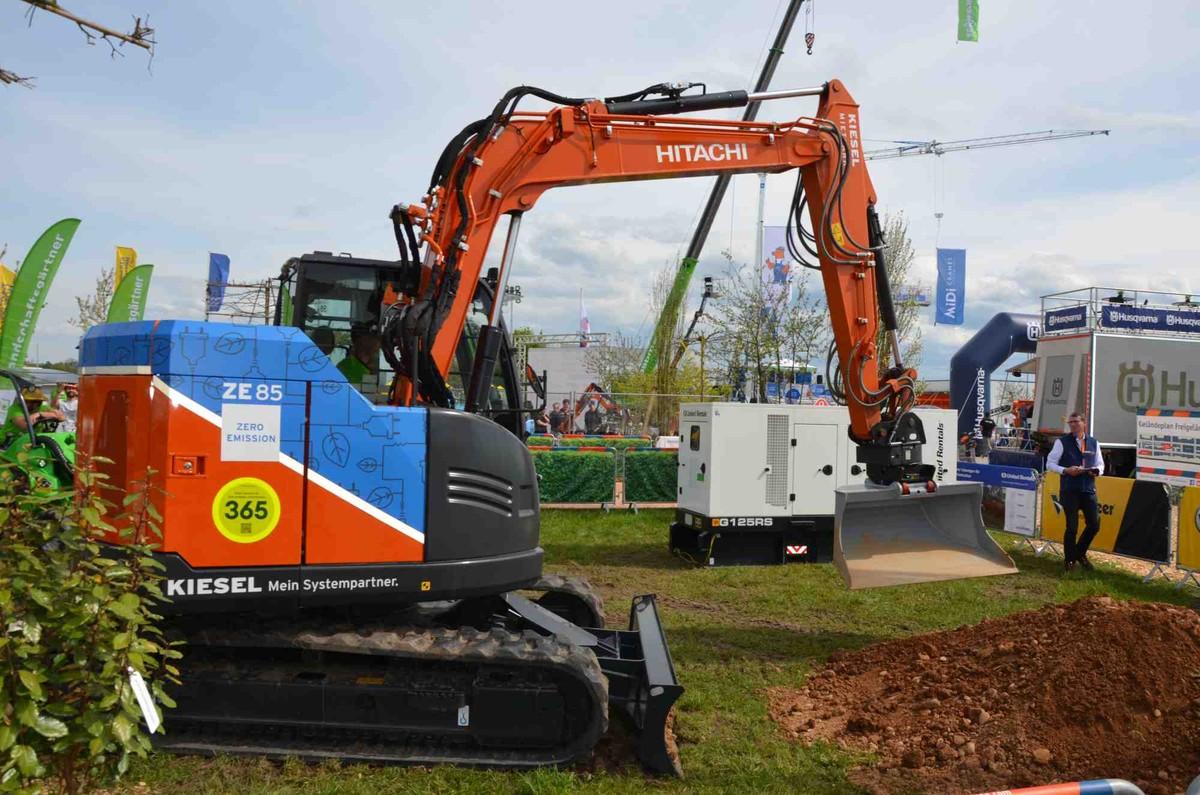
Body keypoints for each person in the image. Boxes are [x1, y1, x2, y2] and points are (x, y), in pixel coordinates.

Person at [1045, 411, 1104, 572]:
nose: (1072, 425)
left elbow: (1101, 464)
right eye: (1070, 422)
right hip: (1070, 489)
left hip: (1088, 489)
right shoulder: (1062, 442)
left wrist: (1096, 471)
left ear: (1083, 423)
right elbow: (1049, 464)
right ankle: (1070, 560)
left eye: (1075, 422)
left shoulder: (1093, 442)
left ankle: (1079, 553)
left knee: (1094, 524)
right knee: (1072, 527)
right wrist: (1065, 470)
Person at [337, 325, 381, 392]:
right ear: (364, 353)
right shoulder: (364, 375)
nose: (376, 356)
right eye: (375, 351)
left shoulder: (343, 364)